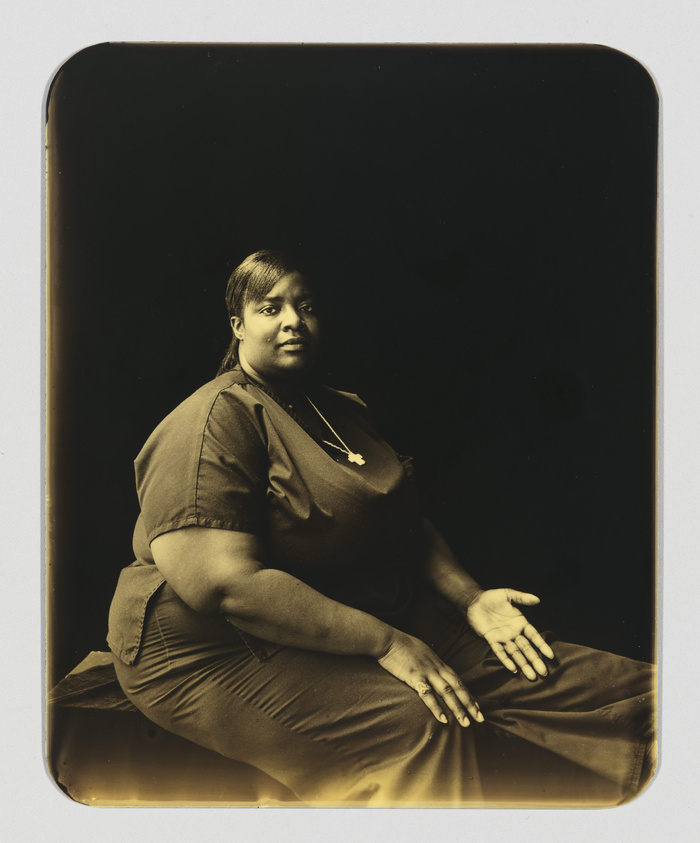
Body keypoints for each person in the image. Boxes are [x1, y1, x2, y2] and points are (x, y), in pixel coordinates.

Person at [107, 249, 655, 805]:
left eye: (307, 306)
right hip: (206, 649)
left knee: (615, 687)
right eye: (270, 308)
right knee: (424, 727)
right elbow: (223, 585)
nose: (294, 319)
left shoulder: (340, 409)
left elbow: (402, 523)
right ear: (238, 325)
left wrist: (470, 601)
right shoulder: (211, 421)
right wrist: (385, 642)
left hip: (350, 605)